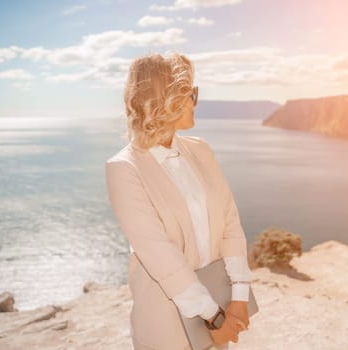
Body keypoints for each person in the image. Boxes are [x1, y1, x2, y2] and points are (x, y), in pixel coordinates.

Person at [105, 51, 253, 350]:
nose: (195, 102)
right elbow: (160, 256)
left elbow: (230, 223)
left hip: (220, 308)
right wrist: (213, 318)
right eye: (190, 93)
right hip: (167, 322)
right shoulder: (124, 168)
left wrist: (239, 297)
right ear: (166, 99)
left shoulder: (201, 150)